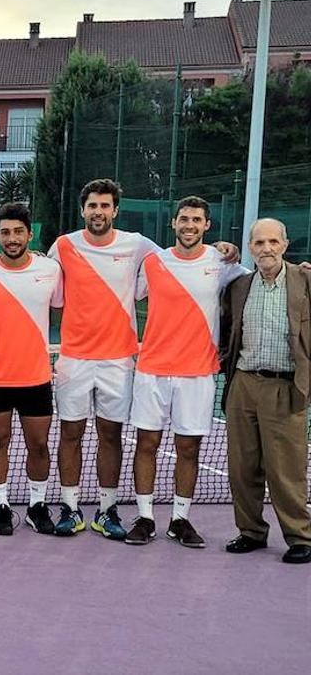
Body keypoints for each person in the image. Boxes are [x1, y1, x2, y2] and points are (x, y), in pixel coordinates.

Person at [47, 179, 240, 538]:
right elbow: (44, 279)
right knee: (69, 433)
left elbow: (182, 256)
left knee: (111, 436)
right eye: (93, 206)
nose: (99, 212)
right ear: (83, 210)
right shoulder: (63, 246)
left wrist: (223, 249)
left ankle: (108, 511)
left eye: (105, 206)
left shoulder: (139, 246)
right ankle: (70, 508)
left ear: (115, 210)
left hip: (120, 359)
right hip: (73, 357)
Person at [127, 196, 248, 548]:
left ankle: (180, 519)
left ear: (207, 225)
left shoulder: (222, 263)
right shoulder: (153, 263)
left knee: (189, 448)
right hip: (151, 369)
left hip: (198, 372)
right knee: (147, 444)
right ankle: (145, 517)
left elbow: (256, 281)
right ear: (174, 224)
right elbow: (127, 293)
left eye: (196, 220)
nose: (189, 225)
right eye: (184, 219)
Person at [0, 202, 63, 537]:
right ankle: (0, 506)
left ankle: (36, 506)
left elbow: (63, 305)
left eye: (18, 231)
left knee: (39, 445)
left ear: (29, 234)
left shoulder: (50, 270)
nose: (12, 238)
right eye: (5, 232)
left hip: (35, 376)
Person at [219, 218, 311, 564]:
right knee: (242, 467)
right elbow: (228, 330)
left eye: (273, 241)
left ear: (285, 245)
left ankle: (300, 537)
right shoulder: (239, 286)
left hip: (286, 387)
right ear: (251, 247)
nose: (266, 249)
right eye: (259, 243)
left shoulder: (305, 279)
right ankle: (250, 532)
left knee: (286, 469)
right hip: (243, 383)